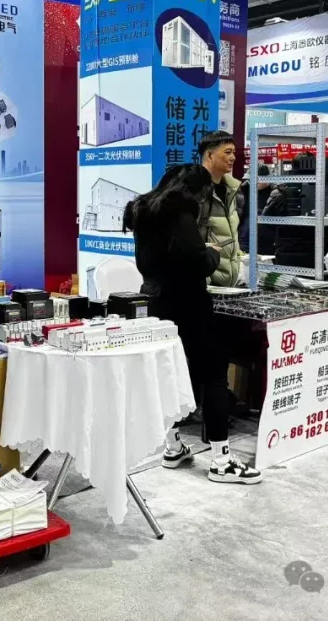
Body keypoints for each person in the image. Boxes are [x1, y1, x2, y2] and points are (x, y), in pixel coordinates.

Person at [125, 164, 260, 484]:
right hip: (187, 302)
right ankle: (222, 460)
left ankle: (172, 446)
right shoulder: (179, 210)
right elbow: (196, 262)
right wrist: (211, 253)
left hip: (155, 300)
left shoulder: (143, 210)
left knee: (168, 373)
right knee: (212, 375)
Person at [198, 131, 243, 286]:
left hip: (229, 283)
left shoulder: (232, 189)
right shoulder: (196, 192)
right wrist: (204, 280)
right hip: (206, 283)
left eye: (234, 152)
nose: (233, 157)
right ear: (209, 155)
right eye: (227, 152)